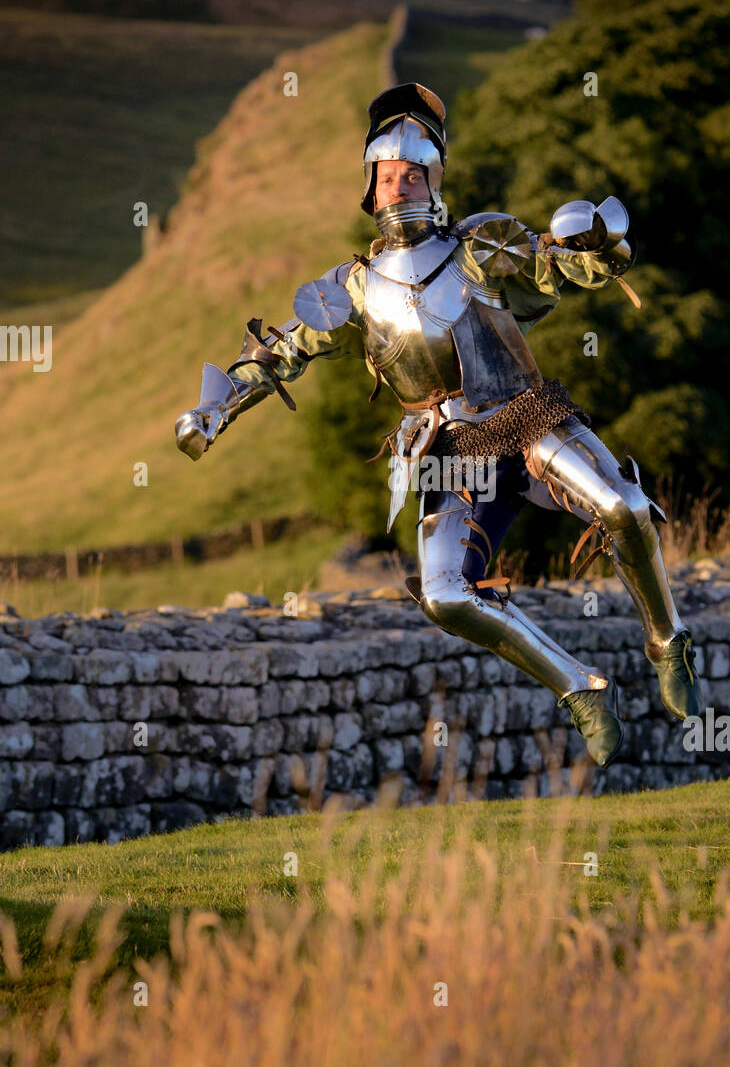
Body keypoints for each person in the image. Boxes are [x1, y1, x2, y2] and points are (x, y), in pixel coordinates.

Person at [175, 82, 703, 767]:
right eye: (387, 176)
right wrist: (216, 408)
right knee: (445, 596)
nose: (398, 185)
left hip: (526, 414)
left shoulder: (480, 246)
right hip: (448, 449)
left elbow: (559, 267)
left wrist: (602, 247)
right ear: (371, 188)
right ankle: (579, 688)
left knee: (625, 506)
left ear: (433, 179)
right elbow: (283, 351)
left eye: (411, 173)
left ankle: (668, 643)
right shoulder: (353, 287)